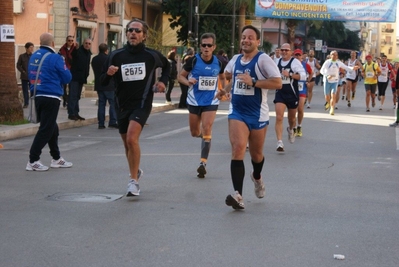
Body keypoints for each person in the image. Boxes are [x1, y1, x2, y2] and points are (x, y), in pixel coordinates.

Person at [101, 18, 170, 196]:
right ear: (127, 33)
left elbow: (168, 66)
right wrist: (108, 75)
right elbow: (102, 81)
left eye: (137, 31)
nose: (133, 33)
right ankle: (135, 169)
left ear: (144, 35)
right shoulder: (116, 55)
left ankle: (133, 182)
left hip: (142, 103)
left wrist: (162, 82)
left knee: (132, 139)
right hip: (121, 104)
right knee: (127, 143)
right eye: (130, 30)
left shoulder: (151, 55)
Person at [216, 25, 282, 210]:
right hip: (237, 111)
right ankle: (238, 195)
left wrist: (253, 81)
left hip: (257, 114)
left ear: (257, 41)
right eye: (243, 37)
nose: (246, 40)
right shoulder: (236, 59)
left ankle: (257, 177)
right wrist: (224, 90)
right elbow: (233, 78)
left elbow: (277, 83)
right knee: (238, 148)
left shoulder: (263, 60)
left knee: (256, 155)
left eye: (250, 37)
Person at [177, 32, 226, 179]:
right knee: (194, 132)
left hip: (211, 100)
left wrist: (223, 89)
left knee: (207, 127)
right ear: (200, 46)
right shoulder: (192, 61)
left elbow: (223, 77)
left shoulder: (219, 62)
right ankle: (205, 138)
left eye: (209, 45)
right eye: (203, 45)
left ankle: (202, 163)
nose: (206, 48)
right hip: (194, 100)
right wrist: (188, 82)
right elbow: (180, 76)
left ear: (214, 47)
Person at [26, 33, 72, 171]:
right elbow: (67, 77)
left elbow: (30, 74)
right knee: (46, 129)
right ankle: (33, 160)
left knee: (52, 127)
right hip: (51, 95)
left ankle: (56, 158)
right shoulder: (56, 58)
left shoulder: (34, 55)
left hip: (37, 95)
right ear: (52, 43)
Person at [274, 43, 306, 152]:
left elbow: (303, 76)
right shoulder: (276, 62)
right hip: (280, 93)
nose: (284, 52)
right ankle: (279, 142)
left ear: (291, 52)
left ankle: (291, 129)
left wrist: (290, 75)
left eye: (286, 50)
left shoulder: (295, 62)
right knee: (279, 117)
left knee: (292, 119)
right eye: (282, 50)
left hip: (292, 94)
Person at [320, 51, 359, 115]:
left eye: (336, 55)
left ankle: (332, 108)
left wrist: (353, 68)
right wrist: (327, 75)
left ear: (337, 56)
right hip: (327, 80)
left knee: (333, 94)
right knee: (327, 96)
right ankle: (327, 102)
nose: (334, 56)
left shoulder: (338, 63)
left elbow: (346, 68)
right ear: (330, 55)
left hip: (335, 81)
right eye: (333, 55)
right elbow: (321, 70)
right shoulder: (327, 62)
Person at [91, 43, 118, 129]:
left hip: (99, 84)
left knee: (101, 104)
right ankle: (112, 121)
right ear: (106, 50)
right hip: (109, 85)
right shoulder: (109, 59)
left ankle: (101, 123)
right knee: (112, 103)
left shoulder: (94, 59)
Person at [68, 38, 92, 121]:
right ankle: (71, 113)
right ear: (83, 43)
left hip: (82, 78)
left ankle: (76, 112)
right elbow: (73, 55)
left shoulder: (88, 53)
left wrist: (86, 75)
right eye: (86, 43)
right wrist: (75, 48)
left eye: (89, 43)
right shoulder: (78, 50)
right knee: (73, 96)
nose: (87, 45)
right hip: (75, 77)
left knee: (77, 96)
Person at [293, 49, 312, 137]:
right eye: (296, 55)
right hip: (292, 89)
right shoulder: (291, 64)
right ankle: (293, 127)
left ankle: (299, 126)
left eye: (299, 55)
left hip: (302, 89)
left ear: (302, 56)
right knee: (293, 110)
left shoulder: (305, 65)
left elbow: (311, 73)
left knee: (300, 108)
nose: (297, 57)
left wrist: (308, 80)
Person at [58, 35, 77, 108]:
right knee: (64, 87)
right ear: (66, 41)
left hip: (72, 70)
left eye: (72, 41)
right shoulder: (62, 49)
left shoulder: (75, 49)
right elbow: (59, 58)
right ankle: (65, 100)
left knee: (71, 87)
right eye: (69, 40)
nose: (71, 42)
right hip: (64, 70)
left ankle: (69, 101)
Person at [16, 42, 34, 108]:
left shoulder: (34, 56)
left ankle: (32, 102)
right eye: (30, 47)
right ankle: (26, 103)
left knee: (32, 90)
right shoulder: (22, 56)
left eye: (32, 47)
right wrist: (22, 71)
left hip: (32, 76)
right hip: (24, 76)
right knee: (25, 90)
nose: (32, 49)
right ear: (26, 48)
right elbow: (18, 65)